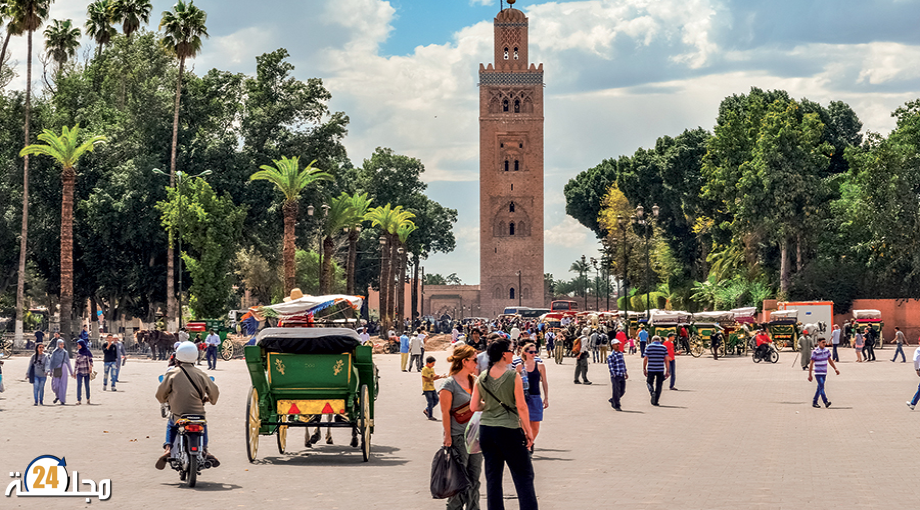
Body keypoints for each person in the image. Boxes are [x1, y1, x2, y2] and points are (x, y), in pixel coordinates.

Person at [470, 339, 538, 510]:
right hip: (509, 430)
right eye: (511, 350)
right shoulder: (512, 376)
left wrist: (491, 406)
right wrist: (528, 431)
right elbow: (521, 406)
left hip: (487, 430)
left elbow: (474, 406)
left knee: (493, 477)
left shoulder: (482, 377)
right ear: (503, 354)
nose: (513, 353)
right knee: (523, 475)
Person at [155, 341, 220, 469]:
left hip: (179, 413)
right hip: (198, 413)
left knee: (172, 424)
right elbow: (214, 392)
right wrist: (210, 400)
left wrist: (165, 400)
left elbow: (160, 394)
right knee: (203, 425)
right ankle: (205, 449)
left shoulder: (172, 373)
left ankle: (168, 448)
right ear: (195, 357)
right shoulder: (201, 374)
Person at [439, 345, 483, 510]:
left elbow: (480, 405)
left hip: (476, 438)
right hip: (458, 437)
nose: (476, 363)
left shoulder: (475, 381)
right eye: (474, 360)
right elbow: (445, 413)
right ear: (464, 361)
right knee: (458, 480)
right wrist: (447, 437)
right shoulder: (449, 384)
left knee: (474, 479)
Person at [517, 342, 548, 451]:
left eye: (535, 351)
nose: (534, 354)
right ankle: (525, 446)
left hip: (535, 397)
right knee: (523, 425)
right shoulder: (519, 367)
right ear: (525, 353)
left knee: (535, 426)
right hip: (523, 398)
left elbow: (544, 382)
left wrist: (546, 397)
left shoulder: (540, 366)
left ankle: (530, 442)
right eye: (531, 352)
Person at [808, 337, 839, 408]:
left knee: (819, 387)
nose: (824, 344)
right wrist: (810, 374)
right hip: (818, 373)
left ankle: (814, 401)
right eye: (822, 342)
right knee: (822, 387)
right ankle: (825, 401)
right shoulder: (815, 352)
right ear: (818, 343)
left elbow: (830, 360)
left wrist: (835, 368)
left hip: (824, 372)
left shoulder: (827, 350)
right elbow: (811, 363)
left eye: (825, 342)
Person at [643, 335, 669, 406]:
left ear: (652, 340)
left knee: (649, 382)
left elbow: (645, 358)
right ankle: (656, 401)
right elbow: (666, 359)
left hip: (651, 368)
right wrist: (667, 370)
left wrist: (644, 368)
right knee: (659, 385)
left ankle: (652, 392)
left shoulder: (649, 347)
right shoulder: (663, 347)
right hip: (660, 369)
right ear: (659, 340)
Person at [49, 339, 72, 404]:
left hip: (64, 369)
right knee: (55, 386)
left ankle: (62, 400)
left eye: (63, 344)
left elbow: (68, 362)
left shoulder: (65, 352)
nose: (62, 346)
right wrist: (50, 370)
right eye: (60, 344)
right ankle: (58, 396)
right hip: (56, 369)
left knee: (63, 385)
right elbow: (51, 362)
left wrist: (71, 372)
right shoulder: (54, 352)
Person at [606, 339, 627, 411]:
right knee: (616, 390)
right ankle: (617, 405)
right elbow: (611, 366)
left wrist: (625, 372)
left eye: (618, 344)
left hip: (622, 374)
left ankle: (613, 399)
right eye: (616, 344)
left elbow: (623, 364)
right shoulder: (611, 356)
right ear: (612, 346)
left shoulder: (620, 354)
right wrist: (613, 374)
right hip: (615, 376)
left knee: (622, 391)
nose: (618, 346)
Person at [74, 339, 94, 405]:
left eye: (79, 344)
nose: (78, 346)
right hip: (79, 371)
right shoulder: (78, 352)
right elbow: (76, 362)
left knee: (87, 386)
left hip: (86, 371)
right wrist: (74, 371)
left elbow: (91, 361)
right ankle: (79, 400)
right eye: (77, 344)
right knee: (79, 385)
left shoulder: (87, 352)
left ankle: (88, 399)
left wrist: (90, 367)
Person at [906, 342, 920, 410]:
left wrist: (917, 369)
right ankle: (913, 403)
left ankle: (913, 404)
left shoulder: (918, 350)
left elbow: (915, 360)